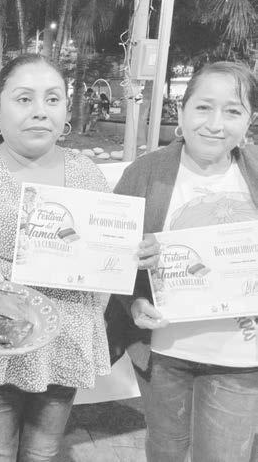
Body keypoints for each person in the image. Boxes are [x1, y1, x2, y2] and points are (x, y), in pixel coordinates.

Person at [0, 53, 157, 462]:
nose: (40, 111)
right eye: (24, 99)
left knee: (43, 453)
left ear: (65, 111)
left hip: (64, 342)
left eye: (53, 99)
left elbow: (107, 253)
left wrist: (134, 252)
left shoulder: (87, 174)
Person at [107, 61, 258, 461]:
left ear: (249, 120)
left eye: (233, 111)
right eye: (203, 107)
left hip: (242, 356)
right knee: (165, 451)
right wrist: (134, 300)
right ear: (181, 109)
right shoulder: (145, 173)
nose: (215, 124)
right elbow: (112, 257)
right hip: (164, 353)